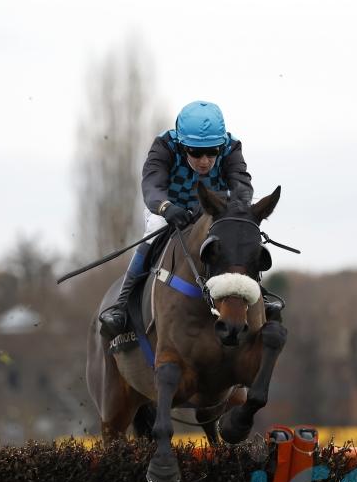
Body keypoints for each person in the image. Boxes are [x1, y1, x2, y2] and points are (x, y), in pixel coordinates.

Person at [99, 100, 275, 337]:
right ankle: (121, 305)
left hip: (215, 210)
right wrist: (166, 208)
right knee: (155, 226)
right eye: (196, 152)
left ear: (220, 145)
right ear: (182, 146)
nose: (204, 161)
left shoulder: (231, 147)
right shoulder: (164, 146)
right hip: (170, 209)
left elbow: (242, 184)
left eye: (212, 152)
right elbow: (152, 186)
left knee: (240, 234)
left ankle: (260, 296)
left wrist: (237, 211)